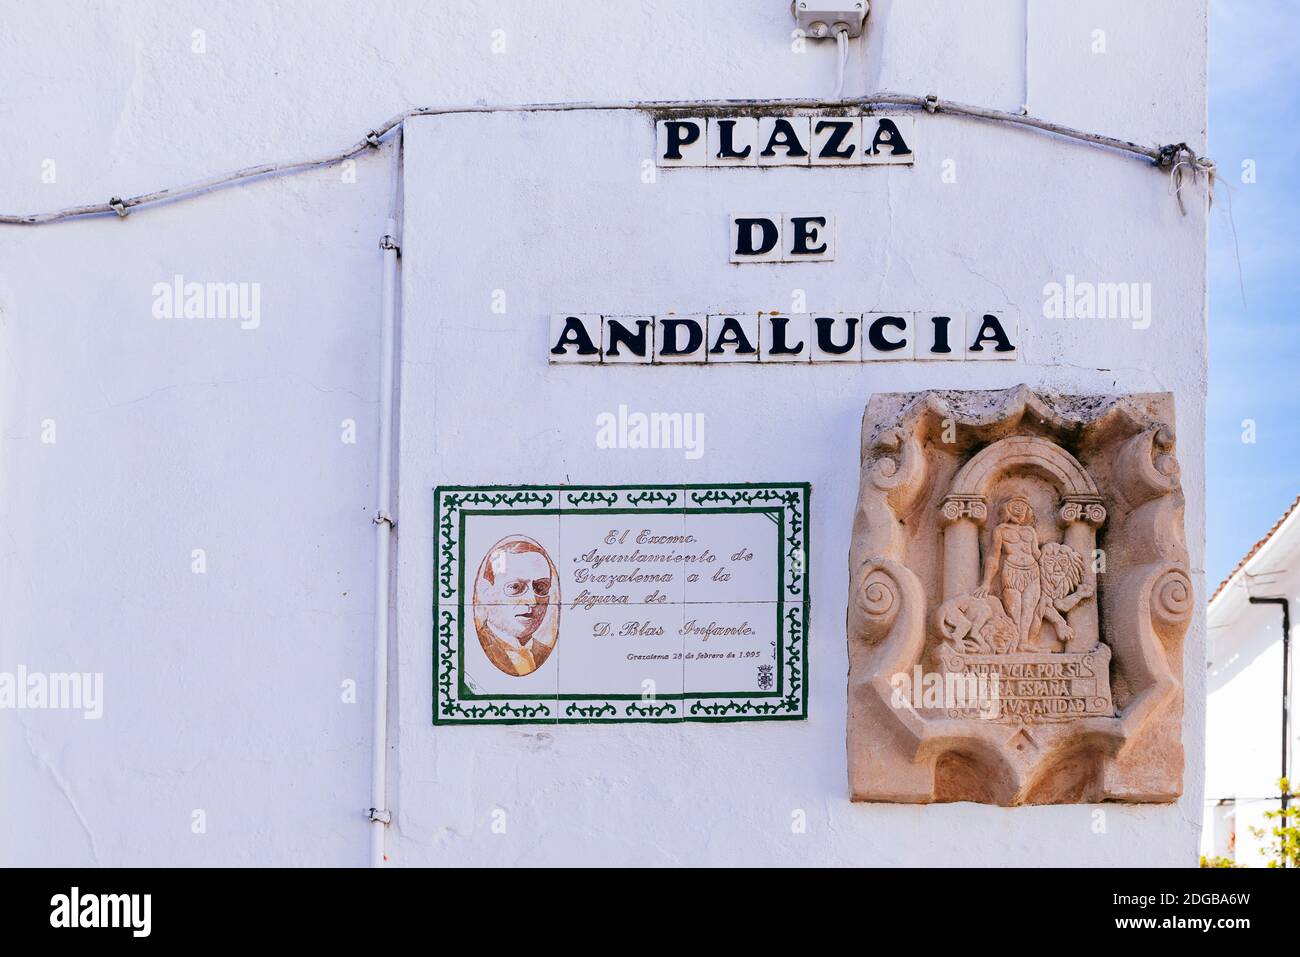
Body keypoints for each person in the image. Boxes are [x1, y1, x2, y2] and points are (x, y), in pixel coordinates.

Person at [473, 537, 559, 677]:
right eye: (515, 587)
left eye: (541, 587)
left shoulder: (545, 653)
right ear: (486, 592)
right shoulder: (475, 650)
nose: (532, 601)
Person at [973, 494, 1042, 653]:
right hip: (1011, 572)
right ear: (1007, 509)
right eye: (1016, 505)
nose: (1020, 509)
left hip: (1032, 572)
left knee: (1029, 609)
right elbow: (994, 556)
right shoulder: (1001, 530)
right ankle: (1015, 642)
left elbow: (1037, 553)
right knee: (1014, 609)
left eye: (1023, 506)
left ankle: (1024, 642)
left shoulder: (1030, 531)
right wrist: (986, 583)